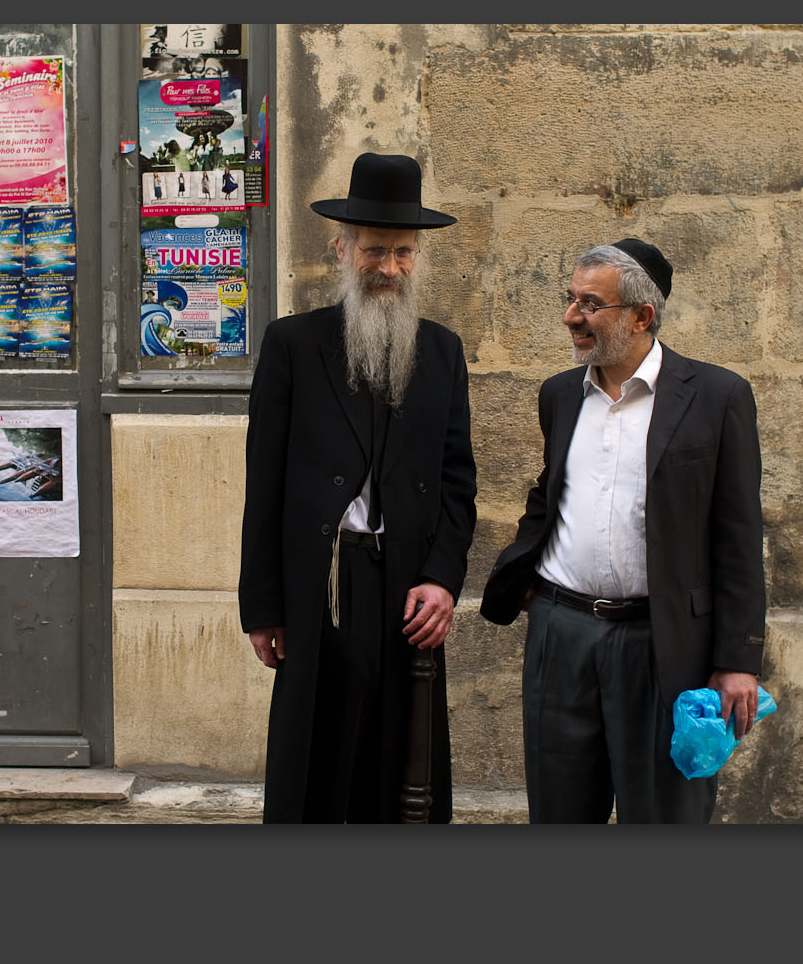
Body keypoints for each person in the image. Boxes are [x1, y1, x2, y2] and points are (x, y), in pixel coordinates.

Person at [480, 239, 766, 824]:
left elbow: (738, 534)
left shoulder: (716, 398)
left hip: (659, 647)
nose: (571, 318)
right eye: (570, 300)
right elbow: (551, 490)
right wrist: (527, 568)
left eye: (590, 304)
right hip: (560, 638)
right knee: (559, 813)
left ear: (642, 316)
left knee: (663, 815)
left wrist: (737, 659)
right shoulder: (560, 395)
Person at [240, 152, 477, 823]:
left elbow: (459, 485)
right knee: (317, 755)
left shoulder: (443, 352)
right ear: (344, 248)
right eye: (376, 251)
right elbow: (266, 482)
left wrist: (443, 578)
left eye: (404, 253)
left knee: (401, 758)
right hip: (324, 583)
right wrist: (263, 606)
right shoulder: (293, 345)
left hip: (405, 585)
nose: (390, 269)